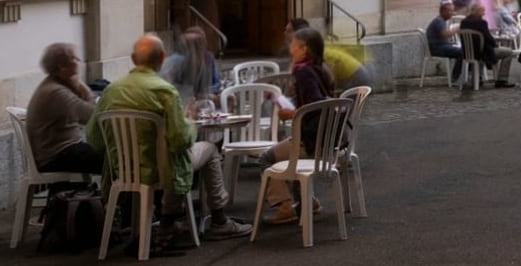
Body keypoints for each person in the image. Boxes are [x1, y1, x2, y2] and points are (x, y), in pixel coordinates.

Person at [87, 35, 251, 241]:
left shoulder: (112, 90)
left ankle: (169, 220)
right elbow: (180, 139)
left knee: (172, 155)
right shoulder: (164, 91)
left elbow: (94, 137)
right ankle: (217, 218)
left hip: (124, 169)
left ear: (132, 58)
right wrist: (189, 121)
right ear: (162, 57)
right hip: (162, 170)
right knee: (207, 149)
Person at [259, 27, 336, 224]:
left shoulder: (304, 73)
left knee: (267, 158)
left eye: (293, 44)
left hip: (311, 140)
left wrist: (291, 113)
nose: (290, 47)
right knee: (287, 151)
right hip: (326, 139)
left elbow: (317, 105)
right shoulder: (321, 69)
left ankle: (283, 206)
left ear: (304, 49)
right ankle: (308, 201)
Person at [26, 43, 103, 179]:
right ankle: (122, 198)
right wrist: (83, 88)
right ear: (62, 66)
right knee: (114, 159)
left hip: (59, 151)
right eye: (75, 59)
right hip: (56, 156)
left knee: (111, 155)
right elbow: (91, 116)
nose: (79, 62)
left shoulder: (54, 84)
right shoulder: (56, 92)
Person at [459, 1, 516, 88]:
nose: (484, 13)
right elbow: (488, 38)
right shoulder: (481, 22)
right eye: (482, 11)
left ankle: (479, 78)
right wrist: (496, 45)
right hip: (483, 52)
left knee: (481, 49)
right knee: (509, 52)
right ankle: (502, 79)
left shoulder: (464, 22)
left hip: (468, 52)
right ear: (476, 11)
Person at [160, 25, 221, 106]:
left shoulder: (207, 58)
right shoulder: (177, 61)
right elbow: (169, 88)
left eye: (202, 41)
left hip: (195, 102)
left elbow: (213, 84)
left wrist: (207, 95)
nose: (202, 46)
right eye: (197, 43)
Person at [425, 1, 463, 82]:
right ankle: (455, 77)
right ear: (443, 11)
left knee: (464, 52)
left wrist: (451, 43)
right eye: (450, 11)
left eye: (453, 11)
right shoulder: (439, 21)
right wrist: (457, 29)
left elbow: (442, 37)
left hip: (440, 46)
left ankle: (462, 75)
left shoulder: (440, 20)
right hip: (437, 49)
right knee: (464, 52)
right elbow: (444, 34)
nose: (452, 13)